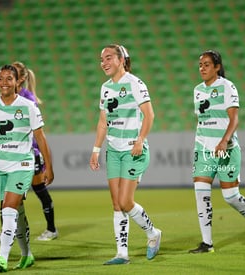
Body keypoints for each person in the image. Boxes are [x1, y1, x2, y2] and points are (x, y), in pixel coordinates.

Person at [0, 65, 54, 272]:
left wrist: (48, 166)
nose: (4, 83)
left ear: (18, 82)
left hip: (22, 165)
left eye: (9, 79)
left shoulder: (28, 106)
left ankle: (3, 257)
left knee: (7, 209)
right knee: (16, 211)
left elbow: (40, 138)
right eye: (1, 78)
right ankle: (27, 255)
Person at [89, 44, 162, 265]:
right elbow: (103, 122)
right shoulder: (105, 88)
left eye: (109, 58)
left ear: (121, 59)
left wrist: (140, 139)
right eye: (102, 59)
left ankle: (153, 233)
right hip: (114, 150)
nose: (104, 63)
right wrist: (96, 149)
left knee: (125, 201)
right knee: (116, 203)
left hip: (133, 150)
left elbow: (149, 115)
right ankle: (122, 254)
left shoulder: (135, 83)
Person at [189, 50, 245, 254]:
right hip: (204, 149)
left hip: (226, 150)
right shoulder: (197, 90)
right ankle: (207, 243)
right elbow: (203, 119)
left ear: (217, 67)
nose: (202, 68)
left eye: (206, 64)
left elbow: (234, 119)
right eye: (200, 64)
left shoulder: (227, 87)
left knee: (231, 197)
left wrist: (224, 141)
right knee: (200, 193)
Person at [0, 61, 57, 243]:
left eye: (13, 76)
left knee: (39, 189)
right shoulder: (6, 98)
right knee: (8, 196)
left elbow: (37, 132)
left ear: (21, 78)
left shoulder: (27, 99)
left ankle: (51, 228)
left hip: (28, 152)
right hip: (11, 154)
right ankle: (6, 232)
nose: (8, 80)